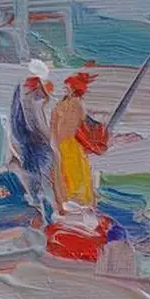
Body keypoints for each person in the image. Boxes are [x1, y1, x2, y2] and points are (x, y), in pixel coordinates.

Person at [10, 59, 55, 220]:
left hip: (30, 145)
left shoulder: (24, 95)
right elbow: (39, 122)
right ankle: (43, 207)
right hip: (37, 145)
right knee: (43, 175)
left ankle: (39, 205)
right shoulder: (33, 97)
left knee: (35, 175)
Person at [51, 70, 100, 213]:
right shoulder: (67, 104)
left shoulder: (71, 104)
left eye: (67, 86)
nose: (64, 88)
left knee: (72, 174)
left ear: (74, 88)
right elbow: (56, 124)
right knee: (67, 174)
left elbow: (62, 125)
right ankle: (71, 202)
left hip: (70, 144)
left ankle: (75, 203)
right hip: (66, 144)